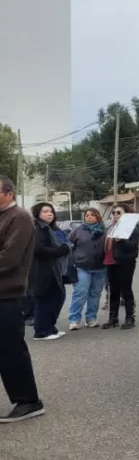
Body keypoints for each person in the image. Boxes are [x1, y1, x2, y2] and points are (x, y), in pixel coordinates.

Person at [0, 176, 46, 423]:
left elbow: (10, 258)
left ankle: (29, 401)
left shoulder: (19, 217)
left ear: (9, 192)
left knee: (10, 349)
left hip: (8, 293)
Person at [28, 202, 71, 341]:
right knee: (45, 301)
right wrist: (60, 251)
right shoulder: (37, 228)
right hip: (42, 271)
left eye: (51, 211)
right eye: (45, 211)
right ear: (37, 214)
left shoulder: (52, 228)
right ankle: (41, 332)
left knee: (56, 299)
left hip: (54, 270)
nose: (49, 213)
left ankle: (50, 328)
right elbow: (38, 249)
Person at [67, 208, 108, 330]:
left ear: (98, 217)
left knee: (95, 294)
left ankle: (91, 318)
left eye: (92, 215)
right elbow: (68, 244)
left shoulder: (104, 231)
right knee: (80, 293)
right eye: (87, 215)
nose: (89, 217)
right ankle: (74, 319)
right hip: (82, 266)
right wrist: (73, 258)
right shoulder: (78, 230)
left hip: (100, 267)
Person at [102, 205, 139, 329]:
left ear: (126, 214)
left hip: (126, 262)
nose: (115, 215)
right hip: (111, 262)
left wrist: (121, 240)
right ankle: (113, 318)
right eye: (113, 213)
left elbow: (133, 246)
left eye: (118, 212)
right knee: (113, 290)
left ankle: (130, 317)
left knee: (126, 289)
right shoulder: (110, 227)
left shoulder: (132, 227)